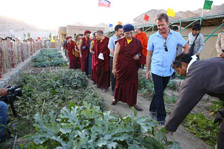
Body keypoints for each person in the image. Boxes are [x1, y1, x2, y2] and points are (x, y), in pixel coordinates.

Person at [165, 53, 224, 149]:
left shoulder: (196, 73)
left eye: (178, 70)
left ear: (184, 64)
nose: (179, 73)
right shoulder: (204, 64)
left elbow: (184, 102)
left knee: (222, 137)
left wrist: (170, 126)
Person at [146, 13, 189, 124]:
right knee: (159, 93)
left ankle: (152, 108)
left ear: (168, 23)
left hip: (168, 70)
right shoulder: (153, 37)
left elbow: (186, 46)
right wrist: (147, 70)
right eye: (158, 25)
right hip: (156, 69)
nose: (160, 28)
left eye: (162, 25)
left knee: (159, 92)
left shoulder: (176, 35)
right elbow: (149, 54)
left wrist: (180, 59)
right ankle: (161, 117)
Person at [112, 24, 143, 111]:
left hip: (132, 68)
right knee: (119, 83)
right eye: (127, 34)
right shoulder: (120, 42)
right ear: (123, 33)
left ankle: (132, 103)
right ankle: (116, 98)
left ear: (133, 32)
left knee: (133, 85)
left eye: (131, 33)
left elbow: (141, 53)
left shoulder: (137, 42)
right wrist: (114, 68)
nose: (129, 36)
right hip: (122, 67)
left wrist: (138, 56)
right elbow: (115, 55)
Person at [108, 24, 123, 96]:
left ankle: (120, 89)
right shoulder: (112, 39)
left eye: (122, 31)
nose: (122, 32)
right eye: (120, 31)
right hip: (113, 58)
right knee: (114, 73)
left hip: (121, 59)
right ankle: (113, 89)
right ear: (116, 31)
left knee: (120, 74)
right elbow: (111, 50)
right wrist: (117, 56)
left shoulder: (123, 38)